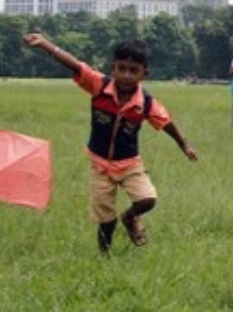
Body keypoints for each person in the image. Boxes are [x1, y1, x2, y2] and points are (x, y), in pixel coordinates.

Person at [22, 33, 198, 254]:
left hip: (130, 164)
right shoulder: (99, 86)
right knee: (106, 220)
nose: (126, 75)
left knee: (148, 199)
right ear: (113, 68)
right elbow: (76, 66)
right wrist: (45, 45)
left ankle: (130, 217)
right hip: (100, 165)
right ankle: (104, 258)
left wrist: (184, 145)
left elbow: (167, 123)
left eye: (133, 70)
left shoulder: (146, 103)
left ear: (145, 73)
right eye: (121, 68)